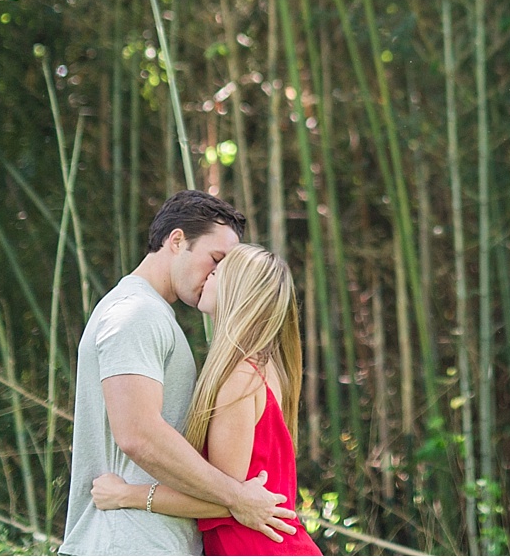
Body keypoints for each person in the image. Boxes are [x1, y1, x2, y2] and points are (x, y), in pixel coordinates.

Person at [59, 191, 300, 555]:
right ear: (177, 240)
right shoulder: (136, 314)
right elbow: (139, 434)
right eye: (216, 260)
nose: (216, 275)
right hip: (130, 542)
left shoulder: (158, 319)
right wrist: (238, 497)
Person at [91, 243, 322, 556]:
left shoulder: (241, 378)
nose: (206, 277)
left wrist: (126, 495)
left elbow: (223, 499)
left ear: (236, 291)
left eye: (216, 272)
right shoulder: (266, 369)